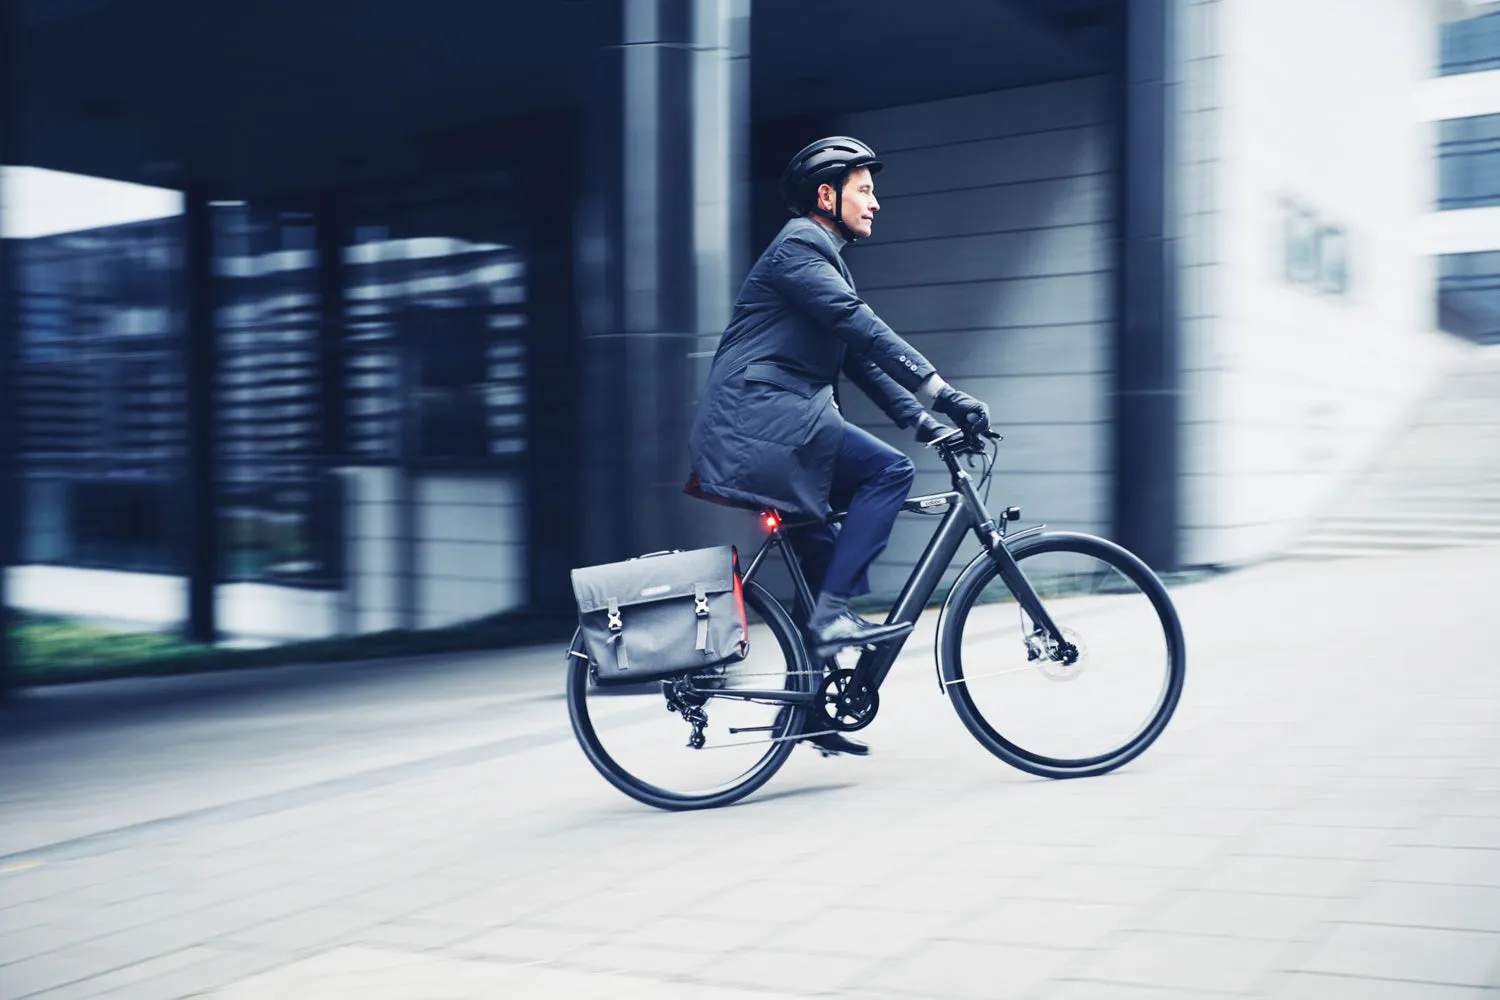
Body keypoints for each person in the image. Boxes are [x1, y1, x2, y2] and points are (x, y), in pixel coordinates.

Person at [686, 137, 992, 755]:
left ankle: (806, 717)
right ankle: (832, 617)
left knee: (826, 560)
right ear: (826, 195)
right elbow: (860, 326)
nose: (877, 202)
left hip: (775, 427)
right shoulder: (801, 246)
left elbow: (854, 357)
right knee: (888, 475)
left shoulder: (819, 256)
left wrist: (926, 420)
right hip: (763, 421)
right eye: (865, 189)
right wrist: (941, 389)